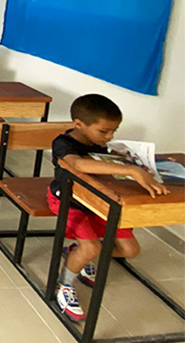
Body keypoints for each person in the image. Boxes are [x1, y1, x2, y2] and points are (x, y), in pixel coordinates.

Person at [49, 94, 168, 321]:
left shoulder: (101, 145)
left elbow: (108, 166)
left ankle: (78, 251)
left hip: (100, 202)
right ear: (78, 125)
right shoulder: (63, 143)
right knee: (92, 248)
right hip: (70, 201)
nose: (110, 136)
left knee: (130, 251)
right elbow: (77, 163)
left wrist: (132, 164)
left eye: (114, 130)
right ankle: (63, 284)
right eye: (103, 131)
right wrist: (132, 171)